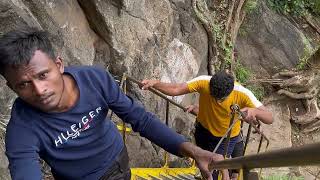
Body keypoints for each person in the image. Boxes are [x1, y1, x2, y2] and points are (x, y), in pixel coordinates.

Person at [0, 28, 226, 180]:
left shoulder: (94, 80)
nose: (40, 91)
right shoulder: (22, 129)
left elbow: (141, 120)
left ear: (58, 64)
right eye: (23, 85)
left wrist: (194, 151)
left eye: (42, 75)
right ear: (12, 88)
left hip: (117, 162)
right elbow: (24, 170)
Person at [141, 72, 274, 179]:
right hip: (203, 130)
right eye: (213, 96)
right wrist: (155, 84)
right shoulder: (204, 81)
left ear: (230, 91)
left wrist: (255, 111)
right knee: (202, 161)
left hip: (225, 138)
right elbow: (176, 88)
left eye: (220, 99)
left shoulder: (243, 94)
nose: (216, 101)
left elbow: (270, 118)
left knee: (214, 171)